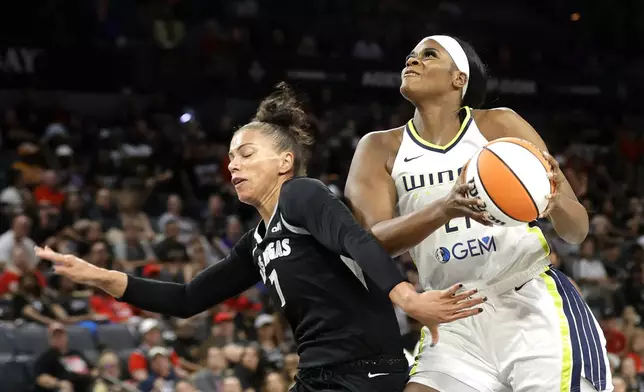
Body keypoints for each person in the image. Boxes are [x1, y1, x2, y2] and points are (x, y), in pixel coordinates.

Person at [36, 83, 484, 392]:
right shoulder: (257, 242)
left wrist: (409, 299)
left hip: (363, 373)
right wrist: (100, 276)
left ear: (285, 161)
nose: (233, 165)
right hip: (316, 375)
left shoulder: (302, 195)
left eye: (246, 154)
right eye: (230, 158)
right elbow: (188, 298)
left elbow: (358, 240)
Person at [345, 35, 613, 392]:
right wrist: (444, 209)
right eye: (410, 55)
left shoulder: (500, 125)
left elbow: (576, 230)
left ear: (460, 78)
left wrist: (555, 202)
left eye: (429, 55)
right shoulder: (378, 147)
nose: (413, 60)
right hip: (452, 314)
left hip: (527, 299)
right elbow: (367, 244)